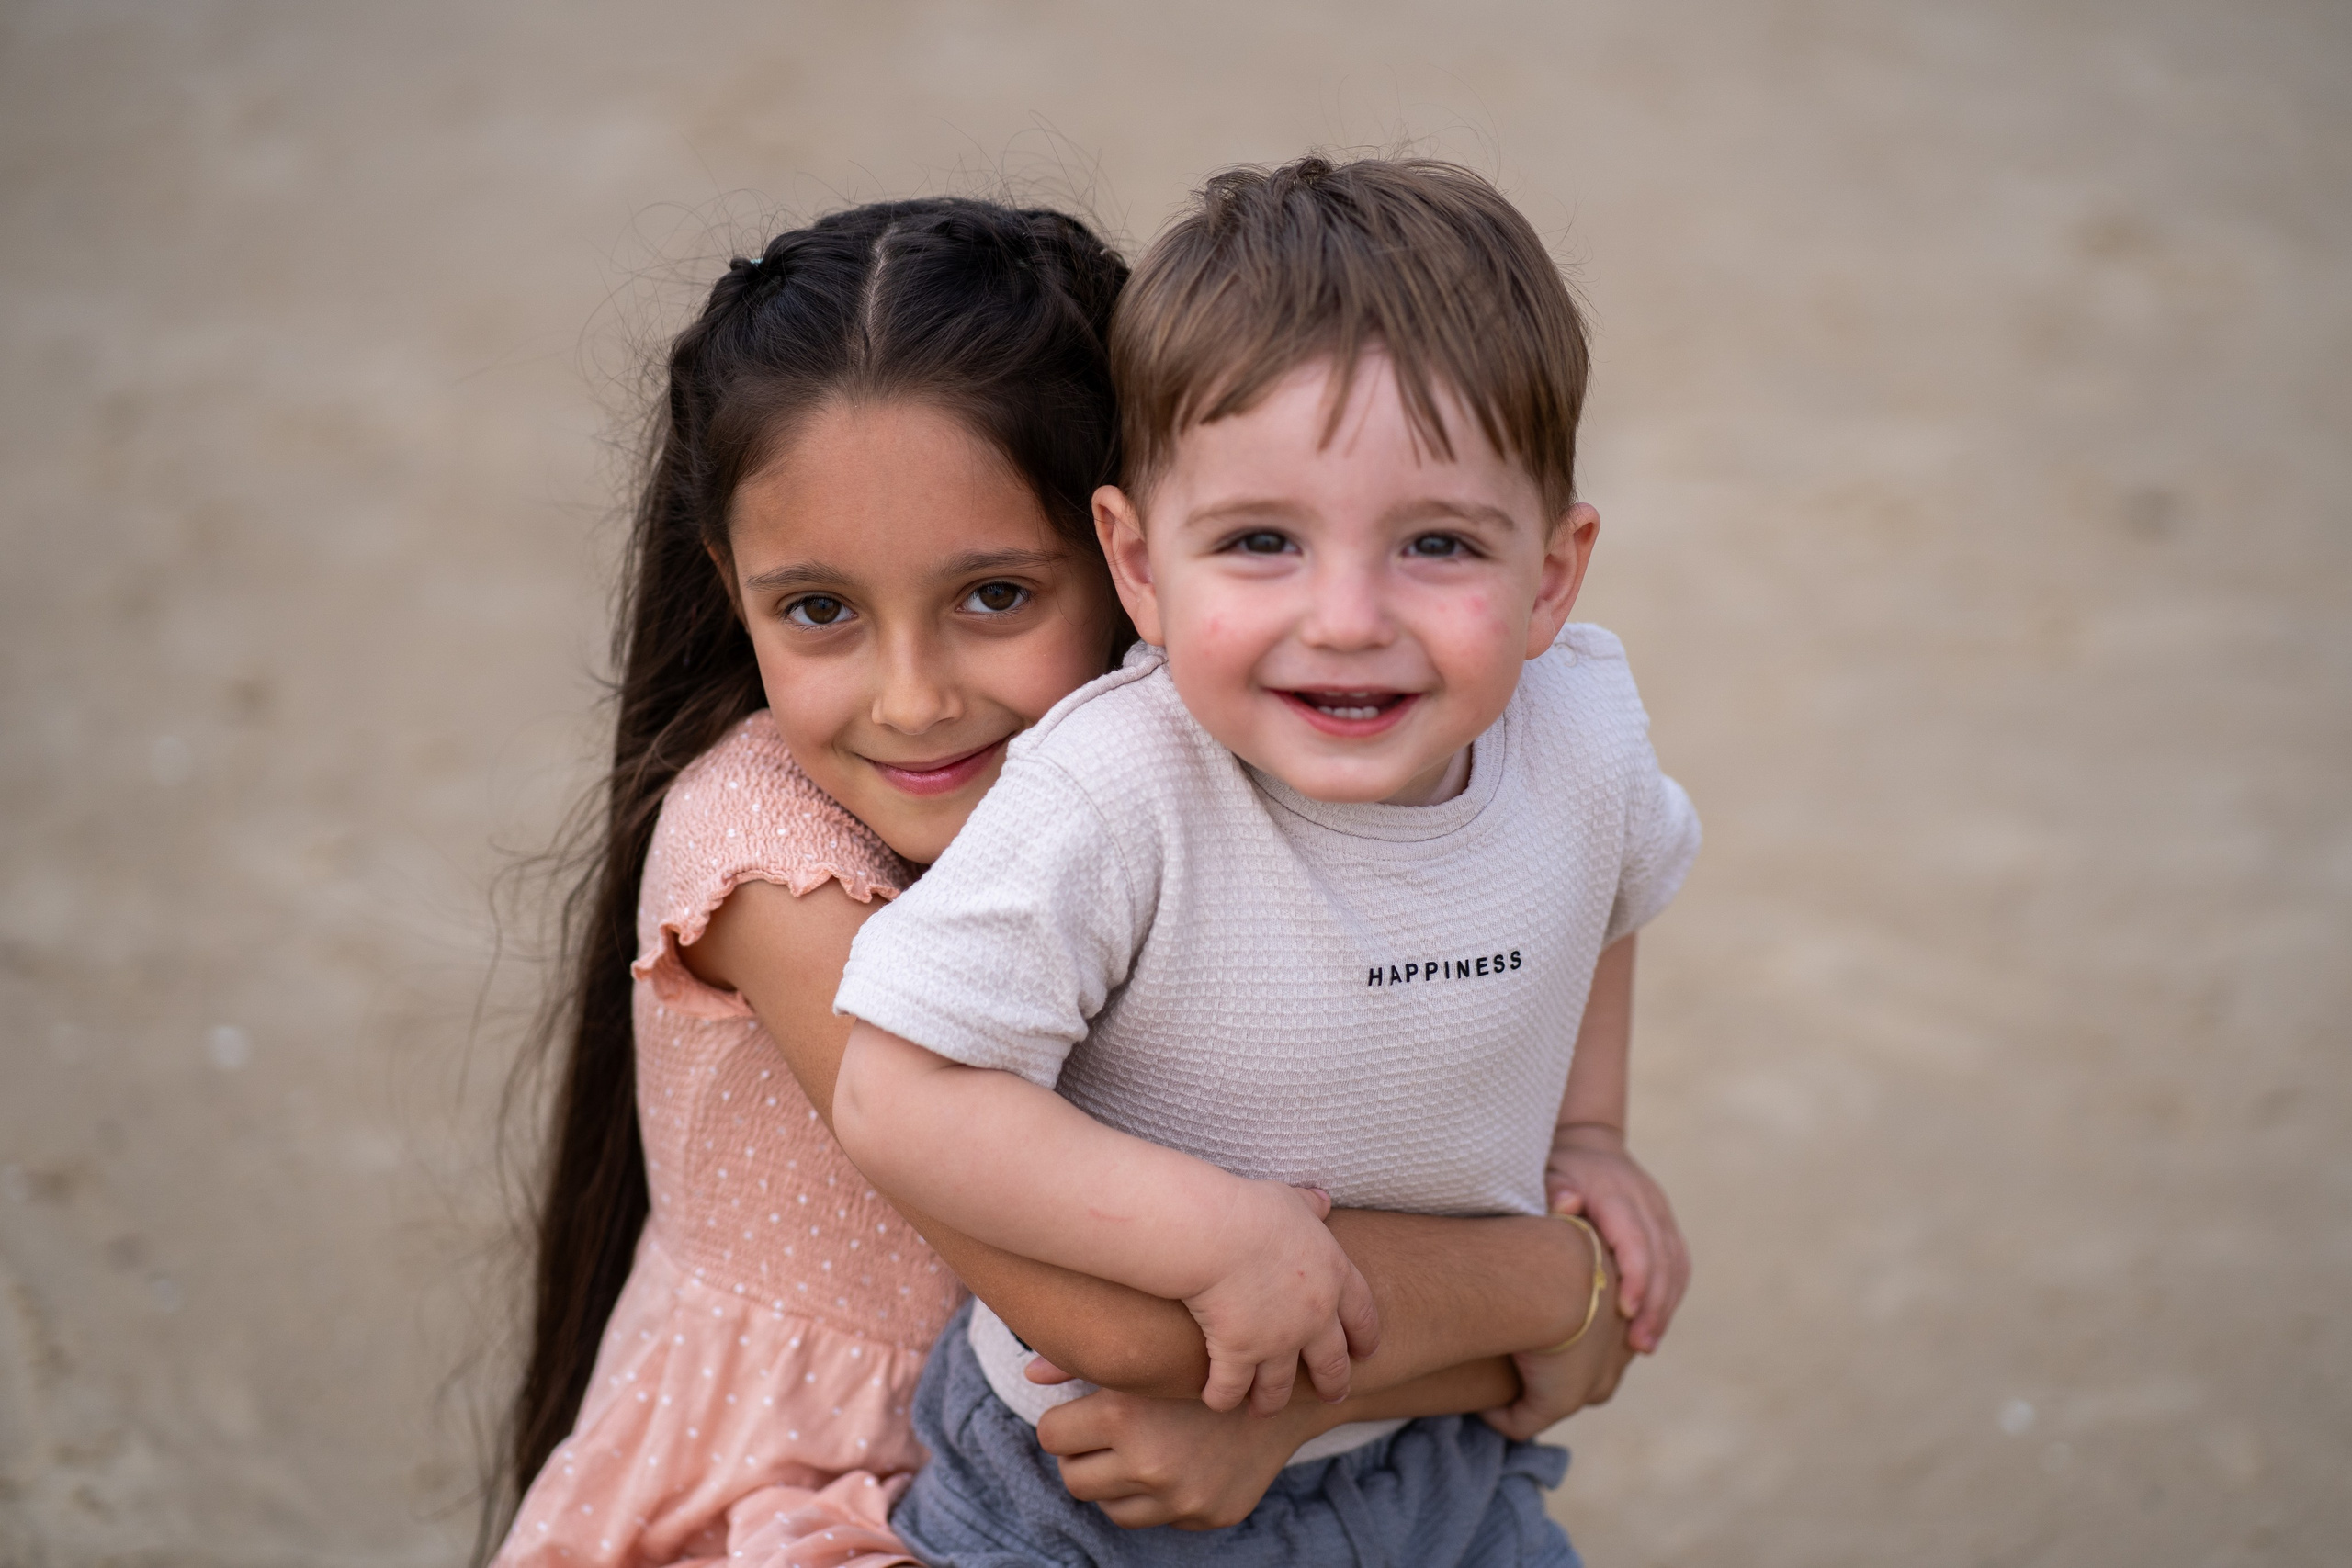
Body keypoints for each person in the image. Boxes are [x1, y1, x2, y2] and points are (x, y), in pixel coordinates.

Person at [494, 192, 1638, 1568]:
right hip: (845, 1487)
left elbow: (1579, 900)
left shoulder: (1202, 776)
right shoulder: (763, 857)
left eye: (996, 596)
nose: (914, 700)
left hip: (1170, 1444)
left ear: (1128, 564)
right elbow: (1121, 1330)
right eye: (819, 609)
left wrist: (1538, 1239)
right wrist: (1560, 1282)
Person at [831, 157, 1701, 1565]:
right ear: (1138, 565)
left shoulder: (1582, 738)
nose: (1347, 618)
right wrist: (1212, 1237)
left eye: (1436, 543)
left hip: (1435, 1442)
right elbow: (895, 1090)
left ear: (1550, 574)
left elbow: (1611, 891)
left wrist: (1587, 1135)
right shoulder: (1115, 792)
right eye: (1260, 542)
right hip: (1082, 1477)